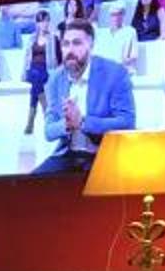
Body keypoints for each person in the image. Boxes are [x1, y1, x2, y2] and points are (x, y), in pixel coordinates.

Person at [29, 18, 135, 176]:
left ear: (91, 45)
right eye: (66, 44)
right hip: (68, 155)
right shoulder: (56, 78)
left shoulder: (115, 73)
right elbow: (49, 131)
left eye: (77, 43)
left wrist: (82, 122)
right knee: (30, 184)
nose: (70, 50)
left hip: (104, 155)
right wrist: (66, 124)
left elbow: (127, 122)